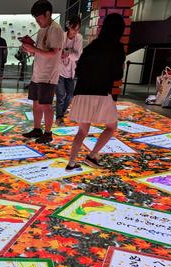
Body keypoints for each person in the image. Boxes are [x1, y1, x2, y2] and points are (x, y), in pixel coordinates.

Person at [65, 13, 126, 170]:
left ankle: (71, 162)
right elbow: (117, 75)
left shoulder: (92, 46)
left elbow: (79, 69)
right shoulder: (117, 48)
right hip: (101, 93)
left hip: (82, 92)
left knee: (82, 131)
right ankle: (92, 155)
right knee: (111, 126)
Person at [21, 0, 63, 144]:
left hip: (48, 75)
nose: (38, 21)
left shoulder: (55, 29)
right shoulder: (42, 30)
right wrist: (30, 49)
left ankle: (48, 133)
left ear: (48, 14)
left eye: (39, 18)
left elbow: (53, 53)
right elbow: (40, 52)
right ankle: (37, 129)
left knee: (46, 104)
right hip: (38, 73)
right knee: (36, 103)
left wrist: (33, 49)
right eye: (36, 19)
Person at [55, 16, 82, 125]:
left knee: (70, 96)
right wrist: (69, 52)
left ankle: (60, 112)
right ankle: (59, 116)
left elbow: (77, 56)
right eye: (73, 29)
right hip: (60, 70)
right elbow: (58, 52)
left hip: (71, 71)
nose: (75, 32)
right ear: (69, 27)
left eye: (77, 29)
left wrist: (68, 52)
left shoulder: (79, 38)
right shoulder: (62, 36)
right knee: (60, 95)